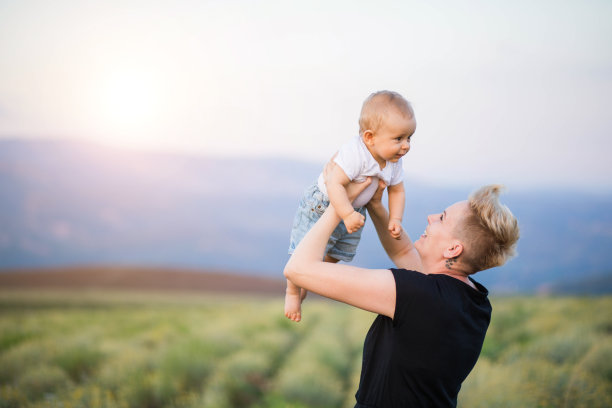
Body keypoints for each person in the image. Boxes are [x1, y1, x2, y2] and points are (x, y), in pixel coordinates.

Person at [284, 176, 519, 407]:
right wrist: (376, 205)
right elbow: (404, 251)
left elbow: (298, 269)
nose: (431, 217)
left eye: (442, 218)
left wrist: (340, 206)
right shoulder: (474, 301)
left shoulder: (418, 295)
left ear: (453, 249)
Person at [285, 90, 416, 322]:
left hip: (355, 211)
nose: (405, 146)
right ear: (369, 137)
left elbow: (398, 190)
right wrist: (346, 213)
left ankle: (309, 276)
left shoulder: (394, 162)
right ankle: (293, 291)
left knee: (338, 253)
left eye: (409, 138)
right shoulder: (356, 153)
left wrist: (396, 219)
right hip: (324, 205)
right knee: (302, 250)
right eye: (398, 139)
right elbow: (334, 182)